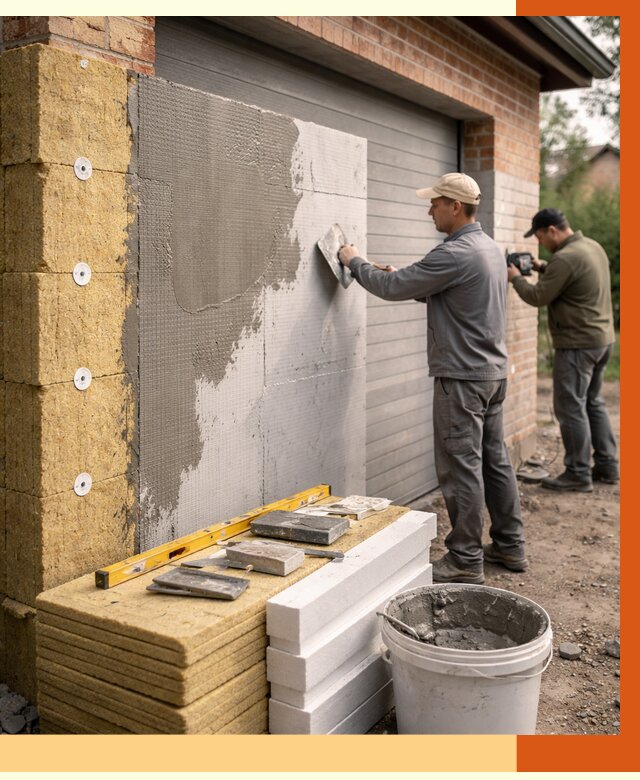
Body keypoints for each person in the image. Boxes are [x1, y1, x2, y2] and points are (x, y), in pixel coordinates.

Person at [338, 172, 526, 584]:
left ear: (455, 206)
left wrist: (354, 260)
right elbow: (452, 289)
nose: (430, 211)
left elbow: (390, 287)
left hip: (462, 378)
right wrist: (404, 276)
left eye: (435, 203)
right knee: (494, 461)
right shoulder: (490, 249)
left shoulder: (455, 252)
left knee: (461, 467)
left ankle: (464, 559)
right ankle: (510, 546)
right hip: (491, 374)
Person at [508, 208, 618, 491]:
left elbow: (538, 296)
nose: (541, 242)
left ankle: (577, 474)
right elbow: (573, 276)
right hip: (601, 340)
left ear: (552, 230)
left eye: (541, 236)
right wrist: (542, 266)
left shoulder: (565, 258)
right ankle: (607, 466)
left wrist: (515, 278)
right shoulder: (590, 247)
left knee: (570, 408)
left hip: (577, 345)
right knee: (592, 401)